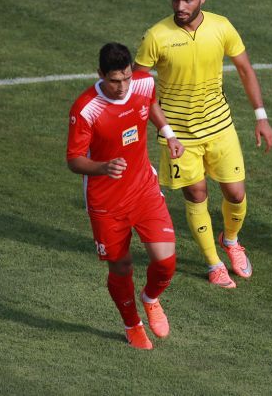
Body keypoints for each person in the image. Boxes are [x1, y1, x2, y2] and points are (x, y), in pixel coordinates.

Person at [135, 0, 272, 289]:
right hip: (178, 135)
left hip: (220, 127)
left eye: (187, 0)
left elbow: (245, 69)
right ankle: (214, 264)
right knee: (197, 194)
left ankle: (231, 240)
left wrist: (261, 116)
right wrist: (165, 132)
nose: (180, 6)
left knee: (236, 194)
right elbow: (140, 88)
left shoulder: (221, 27)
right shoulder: (156, 36)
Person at [67, 42, 184, 350]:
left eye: (126, 78)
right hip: (106, 202)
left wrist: (169, 134)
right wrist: (103, 167)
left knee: (166, 261)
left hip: (143, 189)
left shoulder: (144, 83)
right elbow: (74, 160)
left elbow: (151, 104)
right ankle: (132, 325)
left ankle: (150, 298)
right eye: (114, 81)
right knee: (121, 267)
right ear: (100, 74)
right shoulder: (86, 109)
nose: (122, 87)